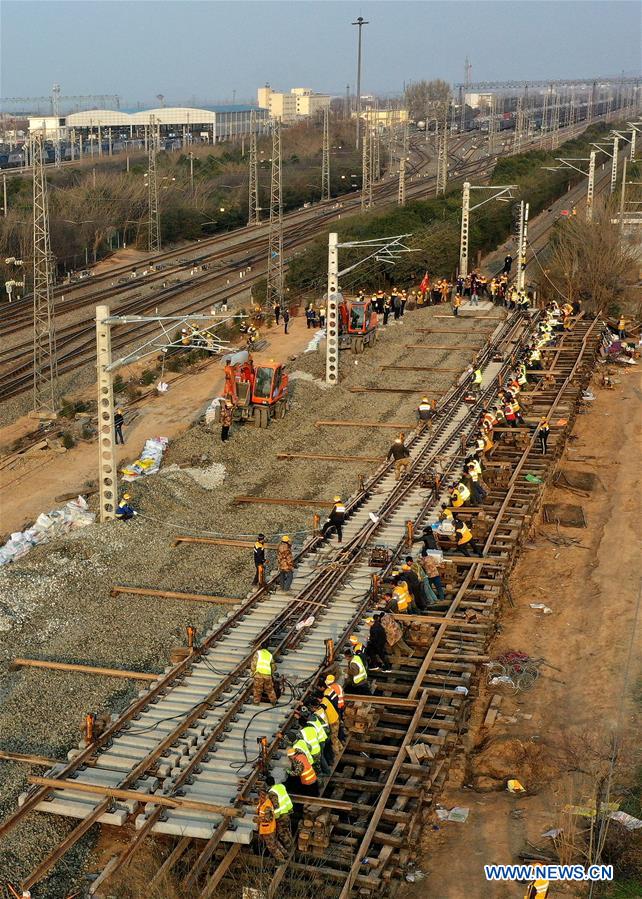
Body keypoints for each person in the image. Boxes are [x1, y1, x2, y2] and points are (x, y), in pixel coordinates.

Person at [257, 787, 286, 860]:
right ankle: (285, 853)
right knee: (275, 842)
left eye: (262, 795)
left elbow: (268, 819)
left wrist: (258, 819)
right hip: (269, 828)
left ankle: (281, 859)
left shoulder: (267, 806)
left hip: (268, 830)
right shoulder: (263, 802)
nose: (261, 797)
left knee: (272, 847)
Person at [265, 777, 293, 852]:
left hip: (281, 815)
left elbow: (276, 806)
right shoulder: (280, 786)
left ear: (267, 784)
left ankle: (289, 847)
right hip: (287, 811)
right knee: (286, 829)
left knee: (282, 833)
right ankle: (291, 844)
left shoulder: (272, 793)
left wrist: (276, 818)